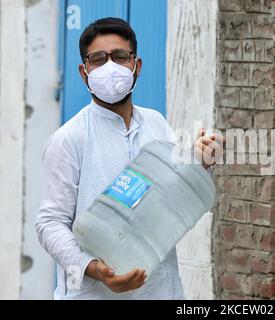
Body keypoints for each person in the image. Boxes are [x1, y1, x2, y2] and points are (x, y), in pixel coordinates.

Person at [36, 17, 223, 300]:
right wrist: (94, 268)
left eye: (120, 57)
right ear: (84, 72)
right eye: (98, 60)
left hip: (161, 291)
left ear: (137, 66)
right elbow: (50, 223)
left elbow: (175, 195)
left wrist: (202, 163)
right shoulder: (69, 139)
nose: (110, 67)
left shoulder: (156, 124)